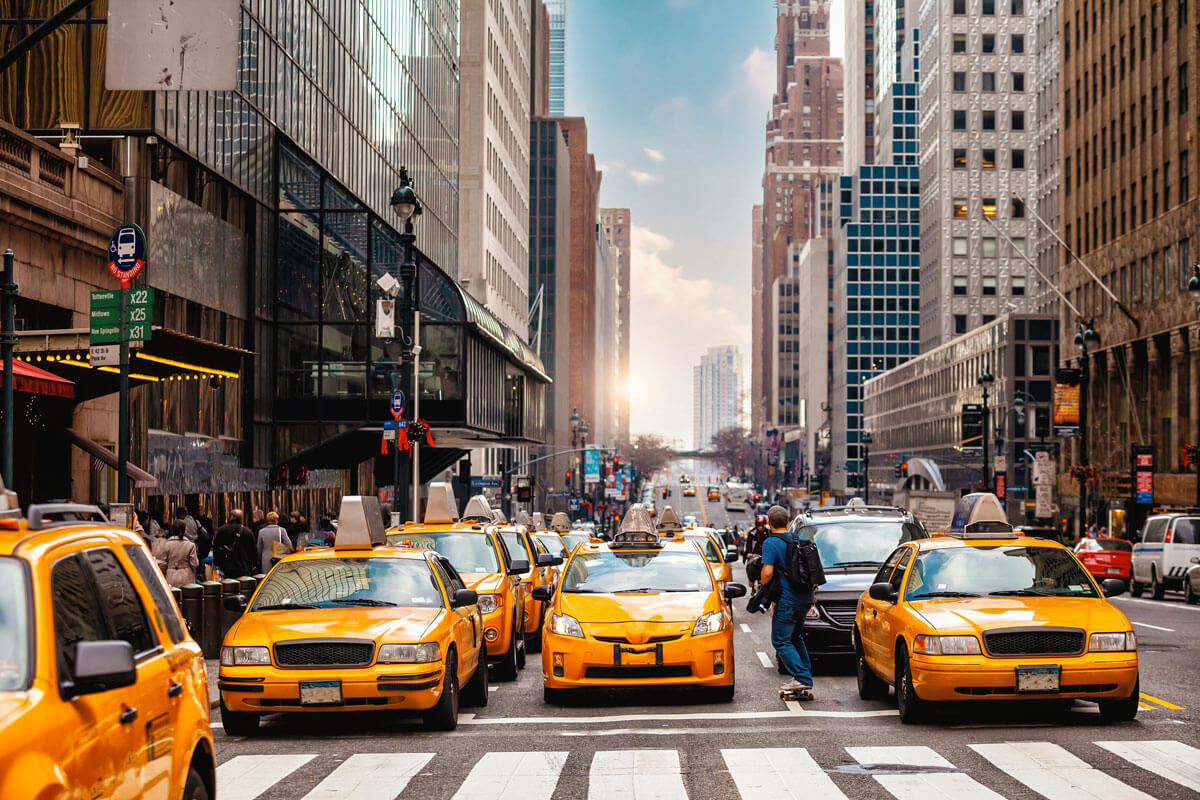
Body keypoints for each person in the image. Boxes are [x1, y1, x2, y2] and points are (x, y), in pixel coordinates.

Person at [759, 505, 817, 699]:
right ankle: (804, 674)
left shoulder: (771, 543)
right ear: (788, 521)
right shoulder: (799, 540)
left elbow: (767, 573)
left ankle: (802, 677)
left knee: (780, 640)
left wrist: (762, 586)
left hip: (787, 600)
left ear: (769, 523)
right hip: (805, 599)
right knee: (795, 637)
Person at [213, 510, 257, 578]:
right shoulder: (247, 531)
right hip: (244, 566)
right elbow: (252, 549)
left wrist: (217, 563)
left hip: (227, 566)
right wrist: (254, 563)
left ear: (232, 517)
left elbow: (216, 547)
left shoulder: (222, 530)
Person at [163, 520, 199, 588]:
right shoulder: (190, 545)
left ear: (173, 530)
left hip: (170, 577)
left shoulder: (166, 544)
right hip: (186, 579)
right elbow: (195, 564)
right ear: (184, 530)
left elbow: (163, 564)